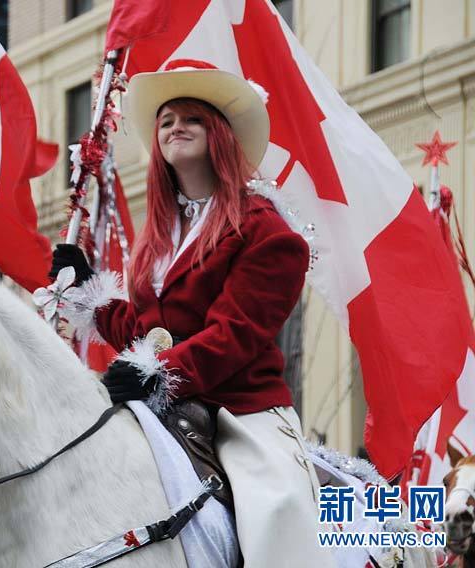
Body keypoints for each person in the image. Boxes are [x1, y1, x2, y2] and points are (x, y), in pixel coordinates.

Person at [50, 60, 335, 567]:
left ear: (219, 134)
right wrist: (87, 288)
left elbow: (234, 335)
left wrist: (155, 373)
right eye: (165, 120)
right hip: (164, 406)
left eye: (192, 118)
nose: (175, 126)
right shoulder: (159, 235)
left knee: (278, 514)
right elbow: (148, 334)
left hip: (239, 410)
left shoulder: (266, 230)